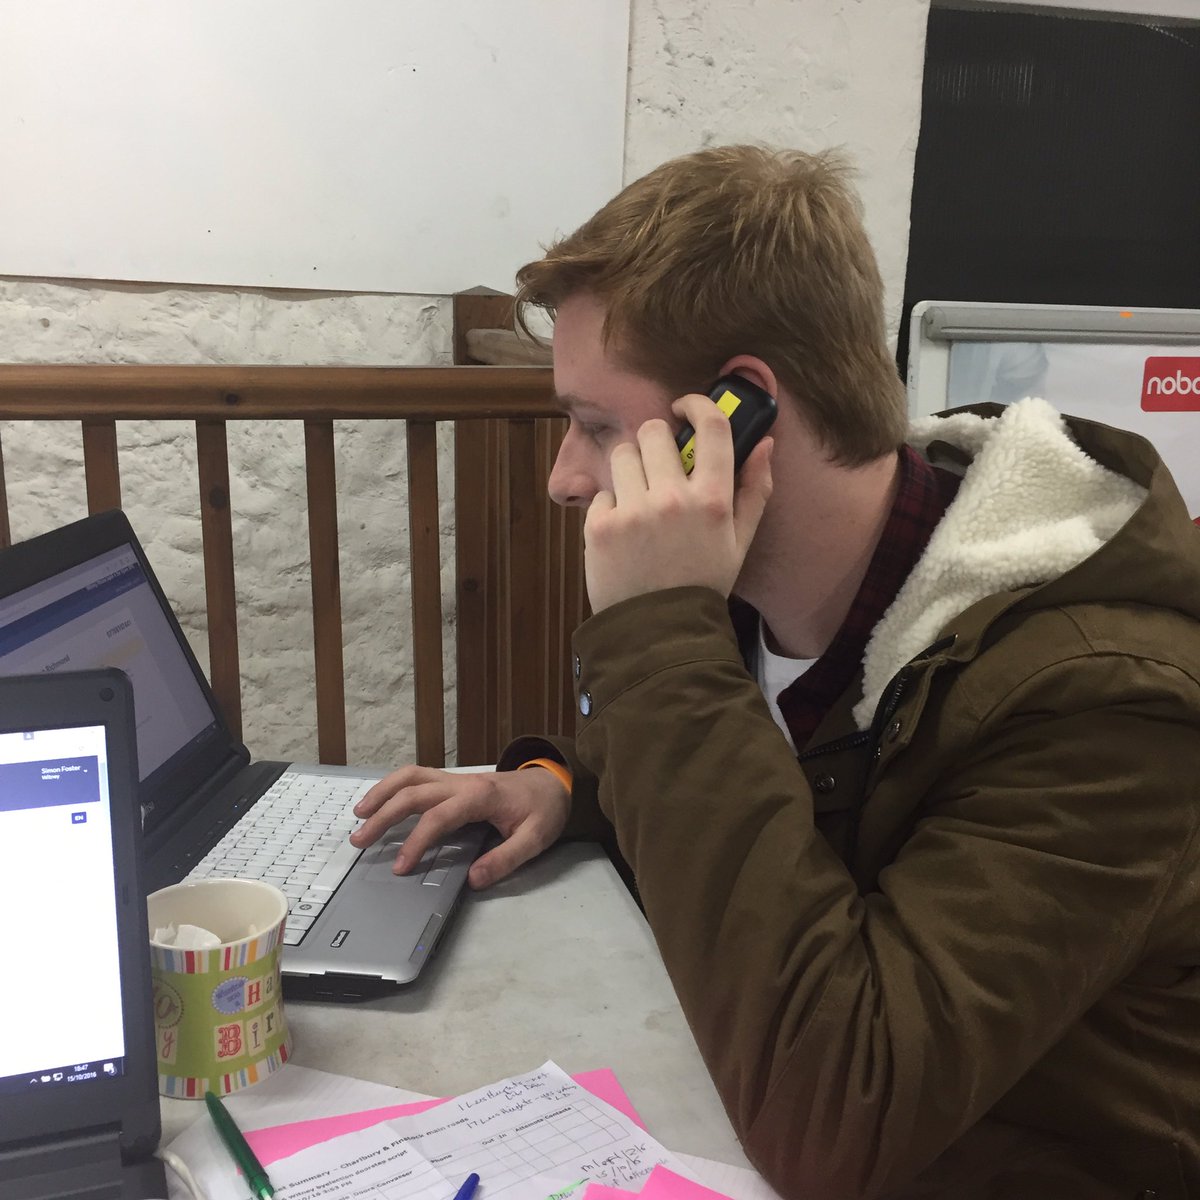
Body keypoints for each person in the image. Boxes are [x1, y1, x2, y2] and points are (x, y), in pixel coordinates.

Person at [351, 146, 1200, 1198]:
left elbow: (835, 1113)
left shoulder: (1106, 699)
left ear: (735, 415)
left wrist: (659, 633)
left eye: (597, 425)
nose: (564, 477)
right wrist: (563, 786)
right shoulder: (780, 591)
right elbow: (761, 780)